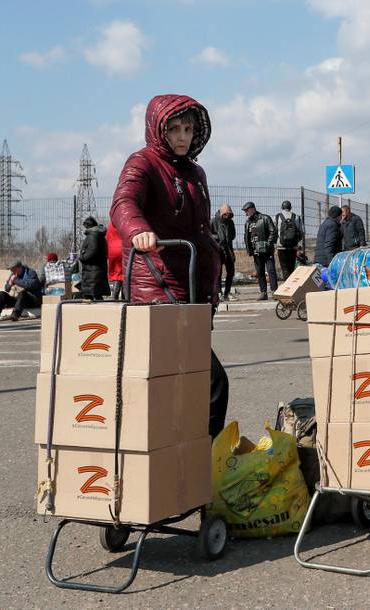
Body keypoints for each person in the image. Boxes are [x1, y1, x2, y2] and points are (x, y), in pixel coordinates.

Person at [109, 93, 227, 439]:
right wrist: (139, 230)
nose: (182, 137)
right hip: (159, 288)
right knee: (211, 383)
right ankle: (197, 464)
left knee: (187, 383)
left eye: (188, 129)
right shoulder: (142, 163)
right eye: (174, 129)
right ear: (158, 129)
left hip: (194, 290)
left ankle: (185, 464)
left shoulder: (195, 171)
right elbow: (123, 202)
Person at [242, 201, 278, 300]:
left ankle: (274, 291)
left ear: (253, 209)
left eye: (247, 210)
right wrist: (249, 248)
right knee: (260, 272)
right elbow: (246, 236)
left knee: (271, 270)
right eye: (245, 211)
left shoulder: (265, 218)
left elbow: (273, 231)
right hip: (256, 251)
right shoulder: (248, 222)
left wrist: (268, 244)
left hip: (267, 251)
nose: (246, 213)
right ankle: (263, 293)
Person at [78, 216, 109, 300]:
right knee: (95, 294)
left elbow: (92, 251)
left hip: (92, 271)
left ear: (88, 226)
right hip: (95, 270)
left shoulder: (93, 235)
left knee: (92, 294)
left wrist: (82, 257)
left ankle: (94, 312)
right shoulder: (98, 234)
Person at [211, 204, 237, 300]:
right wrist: (217, 238)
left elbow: (233, 235)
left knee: (230, 272)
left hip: (228, 249)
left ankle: (227, 293)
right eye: (226, 214)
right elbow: (208, 234)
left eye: (229, 214)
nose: (227, 216)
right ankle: (218, 293)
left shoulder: (230, 222)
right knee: (218, 272)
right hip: (217, 249)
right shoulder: (213, 221)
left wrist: (228, 238)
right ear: (222, 213)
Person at [274, 200, 303, 279]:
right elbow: (302, 232)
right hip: (293, 246)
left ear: (282, 207)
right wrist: (296, 242)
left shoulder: (277, 217)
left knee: (284, 267)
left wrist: (275, 243)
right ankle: (291, 284)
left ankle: (286, 284)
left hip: (281, 247)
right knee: (291, 267)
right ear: (291, 208)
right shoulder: (296, 217)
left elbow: (274, 231)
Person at [106, 223, 124, 301]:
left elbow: (106, 239)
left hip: (112, 251)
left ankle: (114, 298)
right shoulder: (123, 222)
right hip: (123, 249)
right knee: (125, 274)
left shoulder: (110, 225)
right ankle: (125, 298)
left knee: (117, 275)